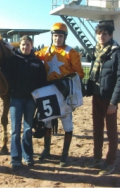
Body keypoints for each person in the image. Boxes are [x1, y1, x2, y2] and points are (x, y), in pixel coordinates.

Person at [35, 22, 84, 167]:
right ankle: (46, 150)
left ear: (65, 37)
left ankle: (64, 155)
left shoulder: (71, 53)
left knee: (67, 124)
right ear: (52, 37)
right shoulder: (46, 51)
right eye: (55, 36)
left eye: (60, 36)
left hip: (64, 94)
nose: (58, 39)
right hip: (49, 93)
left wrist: (68, 84)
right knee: (47, 122)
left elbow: (79, 74)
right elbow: (33, 56)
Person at [85, 22, 120, 175]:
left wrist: (114, 102)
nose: (101, 36)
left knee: (111, 132)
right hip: (96, 96)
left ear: (110, 35)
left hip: (109, 99)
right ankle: (97, 159)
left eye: (104, 34)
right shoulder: (96, 52)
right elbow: (93, 74)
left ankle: (110, 162)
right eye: (99, 34)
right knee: (97, 130)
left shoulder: (118, 53)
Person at [3, 35, 47, 170]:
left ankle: (28, 157)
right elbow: (4, 77)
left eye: (27, 44)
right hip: (16, 99)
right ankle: (15, 158)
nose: (25, 47)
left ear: (32, 46)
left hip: (30, 101)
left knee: (28, 129)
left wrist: (39, 101)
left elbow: (42, 82)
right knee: (15, 129)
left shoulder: (37, 62)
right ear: (19, 46)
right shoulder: (12, 60)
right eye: (23, 45)